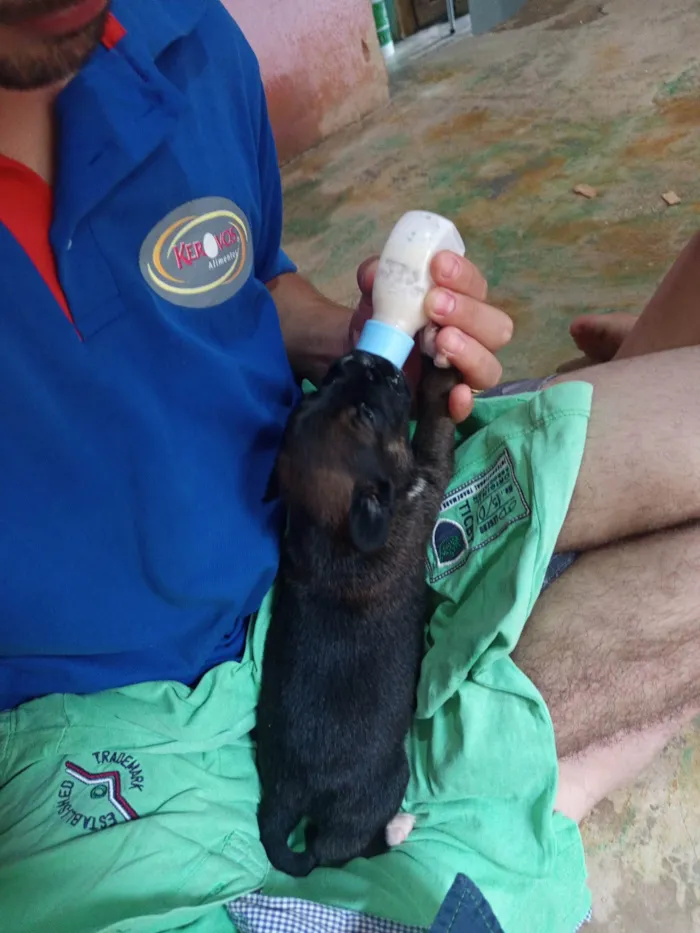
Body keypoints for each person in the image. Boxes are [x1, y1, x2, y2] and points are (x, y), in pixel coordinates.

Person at [1, 2, 700, 933]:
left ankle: (493, 794)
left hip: (338, 522)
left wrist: (366, 345)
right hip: (103, 740)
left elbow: (252, 278)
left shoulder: (182, 35)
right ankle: (497, 804)